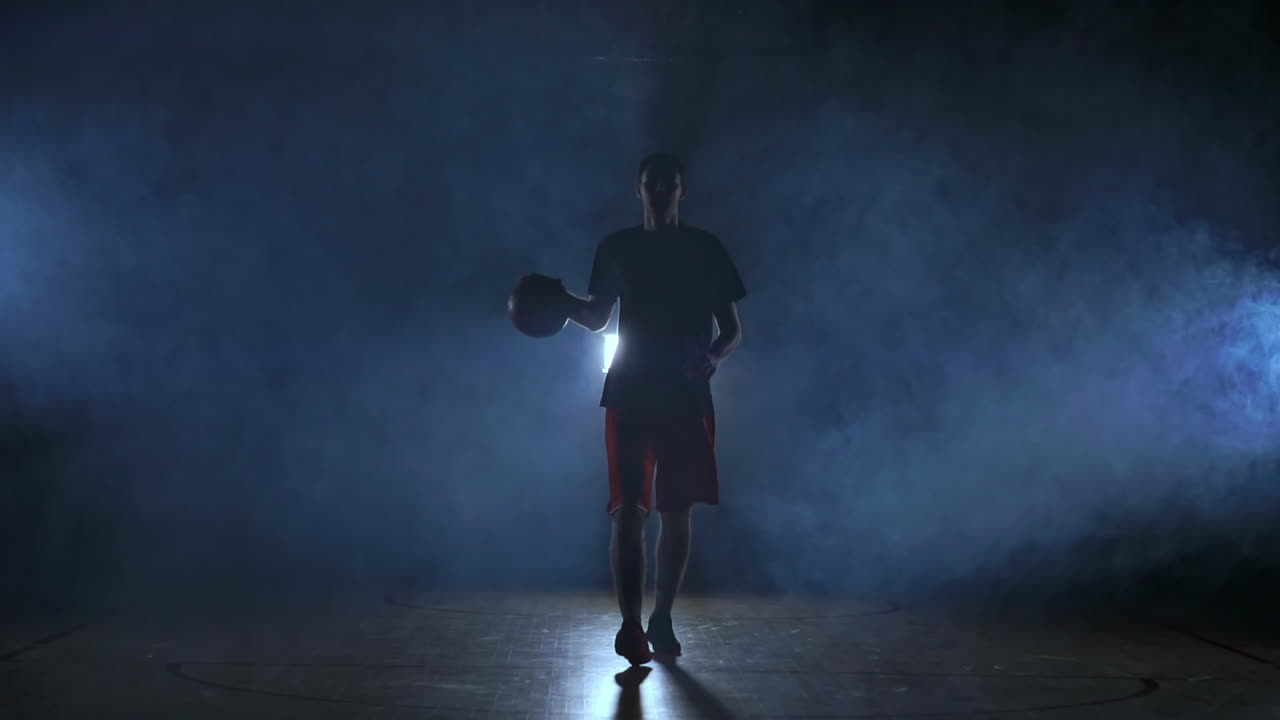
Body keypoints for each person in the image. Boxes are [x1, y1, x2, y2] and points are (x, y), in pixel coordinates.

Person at [560, 152, 746, 664]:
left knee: (675, 511)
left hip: (685, 395)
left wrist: (712, 357)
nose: (660, 191)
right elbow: (598, 318)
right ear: (637, 189)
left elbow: (732, 331)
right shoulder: (618, 247)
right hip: (630, 392)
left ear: (682, 191)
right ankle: (629, 626)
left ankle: (660, 616)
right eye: (652, 184)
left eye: (669, 184)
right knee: (628, 510)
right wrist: (560, 303)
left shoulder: (705, 249)